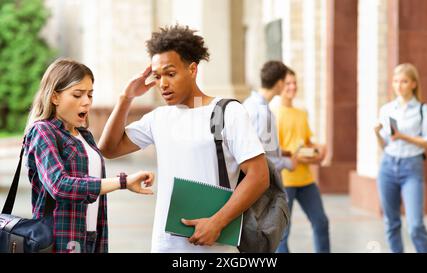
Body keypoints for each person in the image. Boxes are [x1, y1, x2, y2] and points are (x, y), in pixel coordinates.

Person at [98, 25, 269, 253]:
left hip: (214, 245)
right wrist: (126, 98)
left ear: (192, 69)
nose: (163, 84)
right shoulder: (159, 117)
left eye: (170, 73)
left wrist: (217, 222)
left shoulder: (226, 111)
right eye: (157, 77)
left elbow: (259, 176)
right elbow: (108, 149)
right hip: (165, 244)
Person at [24, 58, 154, 253]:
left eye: (90, 95)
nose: (86, 102)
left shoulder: (85, 135)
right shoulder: (43, 131)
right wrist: (123, 182)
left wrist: (127, 96)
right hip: (60, 240)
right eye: (77, 95)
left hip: (92, 235)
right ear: (55, 97)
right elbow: (59, 186)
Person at [374, 63, 427, 253]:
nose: (399, 85)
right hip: (388, 166)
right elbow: (385, 146)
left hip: (412, 168)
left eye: (404, 81)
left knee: (415, 225)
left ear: (413, 84)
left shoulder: (422, 109)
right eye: (396, 81)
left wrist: (403, 136)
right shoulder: (386, 109)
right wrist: (377, 134)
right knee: (391, 223)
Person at [272, 68, 330, 253]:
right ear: (280, 85)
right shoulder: (274, 114)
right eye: (288, 83)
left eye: (295, 83)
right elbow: (275, 152)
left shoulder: (301, 112)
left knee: (321, 221)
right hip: (286, 181)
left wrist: (319, 149)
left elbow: (307, 142)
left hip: (306, 179)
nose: (292, 87)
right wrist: (300, 155)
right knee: (283, 233)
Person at [242, 61, 298, 174]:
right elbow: (260, 156)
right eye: (285, 82)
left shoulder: (249, 103)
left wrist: (278, 152)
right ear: (279, 83)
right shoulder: (261, 113)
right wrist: (288, 163)